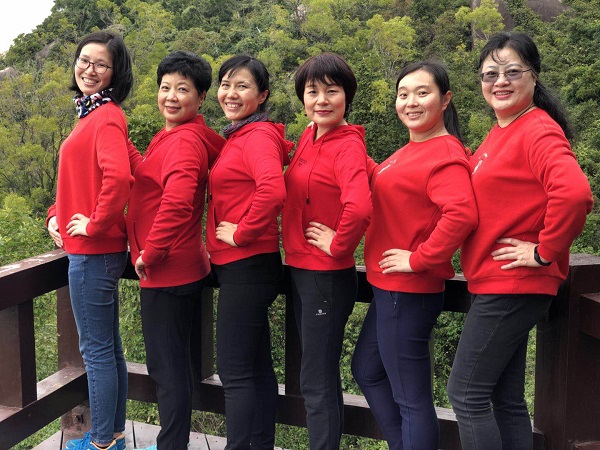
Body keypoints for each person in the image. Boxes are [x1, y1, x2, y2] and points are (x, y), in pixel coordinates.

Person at [447, 32, 593, 450]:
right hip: (499, 282)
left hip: (511, 283)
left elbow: (575, 194)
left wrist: (545, 251)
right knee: (505, 398)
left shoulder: (537, 129)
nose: (500, 81)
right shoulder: (502, 131)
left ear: (534, 76)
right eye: (490, 74)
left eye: (512, 71)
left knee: (465, 394)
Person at [350, 60, 478, 450]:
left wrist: (419, 259)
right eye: (403, 94)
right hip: (389, 289)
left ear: (445, 99)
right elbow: (387, 182)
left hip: (408, 291)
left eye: (423, 93)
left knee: (411, 398)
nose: (411, 102)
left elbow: (461, 214)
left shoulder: (444, 152)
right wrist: (342, 138)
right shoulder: (412, 150)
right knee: (366, 370)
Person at [125, 51, 225, 450]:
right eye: (165, 87)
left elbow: (179, 202)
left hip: (167, 271)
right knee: (175, 366)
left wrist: (150, 252)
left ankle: (170, 445)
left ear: (201, 97)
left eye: (182, 89)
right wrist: (120, 141)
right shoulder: (173, 136)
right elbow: (149, 174)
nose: (170, 96)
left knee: (167, 371)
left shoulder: (184, 141)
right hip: (182, 267)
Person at [46, 31, 134, 450]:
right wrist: (55, 215)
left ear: (115, 73)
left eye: (101, 64)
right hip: (97, 250)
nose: (90, 69)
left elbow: (120, 178)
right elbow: (79, 180)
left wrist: (95, 225)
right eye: (84, 60)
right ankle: (112, 435)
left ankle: (100, 442)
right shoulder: (91, 114)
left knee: (96, 353)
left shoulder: (106, 117)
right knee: (109, 350)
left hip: (93, 252)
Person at [281, 52, 372, 450]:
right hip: (304, 269)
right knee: (319, 376)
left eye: (331, 91)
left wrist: (338, 244)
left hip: (326, 275)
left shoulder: (346, 144)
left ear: (346, 96)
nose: (321, 100)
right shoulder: (311, 135)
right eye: (312, 91)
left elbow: (360, 205)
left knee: (315, 380)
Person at [206, 54, 293, 450]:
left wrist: (242, 233)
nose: (231, 93)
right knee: (256, 370)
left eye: (242, 86)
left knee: (235, 371)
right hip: (247, 267)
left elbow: (272, 190)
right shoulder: (240, 135)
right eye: (225, 85)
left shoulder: (257, 136)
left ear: (262, 95)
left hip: (247, 265)